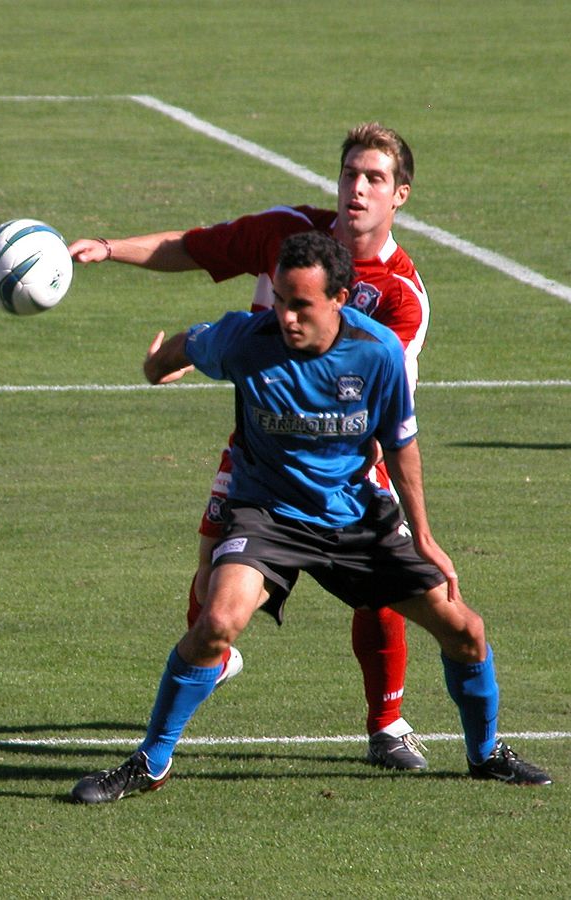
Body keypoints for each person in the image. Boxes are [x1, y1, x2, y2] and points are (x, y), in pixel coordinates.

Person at [71, 232, 551, 804]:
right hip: (266, 514)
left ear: (340, 298)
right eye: (280, 300)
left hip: (353, 517)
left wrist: (423, 535)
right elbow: (186, 345)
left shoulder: (378, 354)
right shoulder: (246, 340)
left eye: (301, 305)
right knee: (218, 622)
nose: (286, 316)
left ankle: (485, 752)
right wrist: (156, 367)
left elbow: (401, 445)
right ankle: (151, 760)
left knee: (466, 632)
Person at [68, 123, 432, 770]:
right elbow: (195, 246)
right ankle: (207, 669)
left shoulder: (401, 296)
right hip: (262, 446)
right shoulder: (287, 235)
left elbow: (385, 409)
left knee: (382, 587)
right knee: (211, 591)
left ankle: (386, 722)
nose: (357, 187)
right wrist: (108, 247)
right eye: (350, 173)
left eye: (374, 178)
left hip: (351, 462)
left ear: (399, 194)